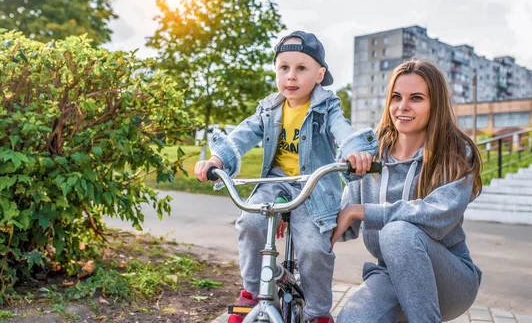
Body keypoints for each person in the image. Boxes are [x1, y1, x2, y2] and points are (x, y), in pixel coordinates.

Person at [195, 31, 377, 323]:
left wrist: (356, 152)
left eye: (301, 68)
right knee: (250, 222)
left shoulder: (326, 107)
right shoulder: (270, 107)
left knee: (314, 248)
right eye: (284, 68)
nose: (291, 76)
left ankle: (319, 313)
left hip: (313, 186)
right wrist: (218, 159)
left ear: (319, 74)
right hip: (276, 182)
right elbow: (244, 133)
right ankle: (252, 293)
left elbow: (343, 131)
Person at [330, 60, 483, 323]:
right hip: (389, 274)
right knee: (352, 319)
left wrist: (363, 211)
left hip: (449, 281)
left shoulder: (455, 153)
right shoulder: (371, 154)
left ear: (435, 104)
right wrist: (298, 215)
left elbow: (436, 216)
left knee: (397, 232)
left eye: (416, 98)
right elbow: (346, 222)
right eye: (396, 97)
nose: (403, 107)